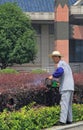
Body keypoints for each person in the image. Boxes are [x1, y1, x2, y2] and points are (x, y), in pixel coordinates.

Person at [49, 51, 74, 125]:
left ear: (57, 57)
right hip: (70, 87)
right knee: (68, 104)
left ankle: (62, 121)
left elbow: (60, 72)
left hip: (65, 88)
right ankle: (69, 120)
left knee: (63, 104)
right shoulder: (66, 64)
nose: (53, 59)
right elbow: (63, 77)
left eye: (53, 57)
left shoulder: (60, 64)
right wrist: (56, 83)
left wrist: (52, 76)